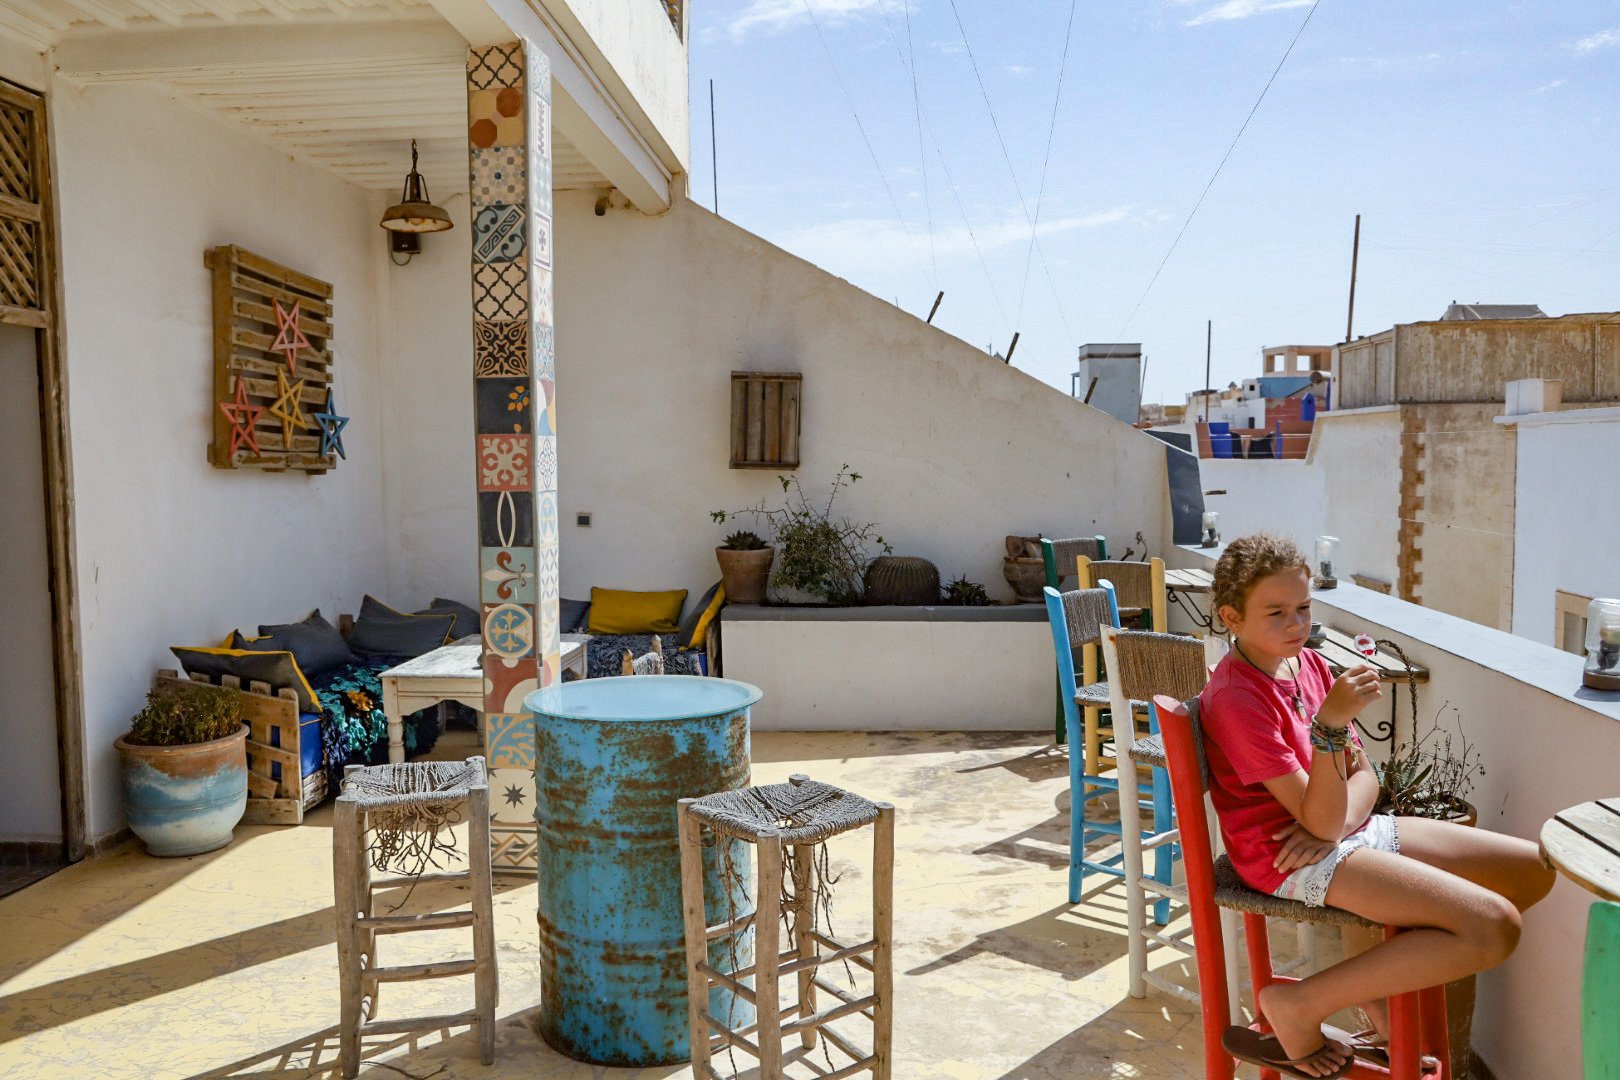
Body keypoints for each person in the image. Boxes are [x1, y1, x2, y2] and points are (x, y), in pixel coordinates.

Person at [1198, 533, 1553, 1079]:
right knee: (1493, 928)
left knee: (1532, 870)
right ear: (1231, 616)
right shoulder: (1237, 699)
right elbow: (1319, 808)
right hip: (1287, 856)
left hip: (1336, 834)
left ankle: (1378, 994)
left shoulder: (1309, 667)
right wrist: (1329, 731)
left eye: (1303, 608)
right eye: (1276, 612)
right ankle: (1298, 1005)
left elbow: (1366, 776)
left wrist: (1336, 819)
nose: (1296, 624)